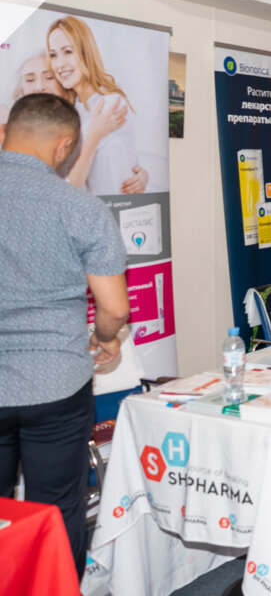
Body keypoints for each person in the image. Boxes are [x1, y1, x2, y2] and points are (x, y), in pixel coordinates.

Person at [0, 93, 129, 577]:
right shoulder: (80, 207)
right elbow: (114, 308)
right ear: (64, 147)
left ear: (6, 133)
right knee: (56, 507)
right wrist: (106, 338)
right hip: (55, 382)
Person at [47, 16, 147, 196]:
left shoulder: (111, 103)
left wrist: (144, 175)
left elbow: (67, 157)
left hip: (120, 206)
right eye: (53, 55)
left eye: (68, 51)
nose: (60, 63)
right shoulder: (71, 110)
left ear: (86, 52)